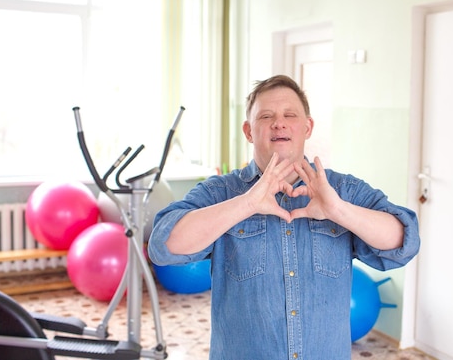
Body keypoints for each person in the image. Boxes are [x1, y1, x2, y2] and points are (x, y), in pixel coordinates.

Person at [148, 74, 420, 360]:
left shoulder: (342, 190)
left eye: (290, 114)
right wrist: (247, 203)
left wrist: (338, 210)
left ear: (307, 127)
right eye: (266, 116)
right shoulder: (220, 191)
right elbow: (164, 245)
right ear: (249, 131)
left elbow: (404, 241)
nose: (279, 123)